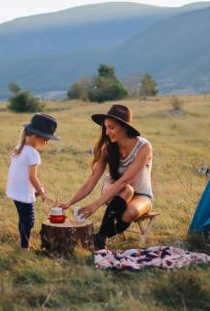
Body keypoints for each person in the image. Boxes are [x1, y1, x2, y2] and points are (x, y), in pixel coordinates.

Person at [58, 104, 153, 250]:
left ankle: (99, 236)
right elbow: (91, 180)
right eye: (106, 127)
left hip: (142, 195)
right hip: (115, 192)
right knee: (127, 190)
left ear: (124, 127)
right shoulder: (108, 148)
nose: (107, 132)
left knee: (131, 211)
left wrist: (95, 205)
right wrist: (69, 203)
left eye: (112, 127)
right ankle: (99, 239)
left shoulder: (144, 147)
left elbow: (126, 180)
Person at [6, 113, 59, 251]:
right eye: (46, 139)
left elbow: (16, 169)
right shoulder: (33, 153)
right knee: (29, 221)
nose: (47, 143)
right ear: (36, 136)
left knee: (23, 219)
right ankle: (25, 248)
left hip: (14, 191)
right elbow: (32, 177)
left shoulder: (18, 148)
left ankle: (25, 244)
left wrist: (36, 189)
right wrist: (42, 193)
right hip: (23, 194)